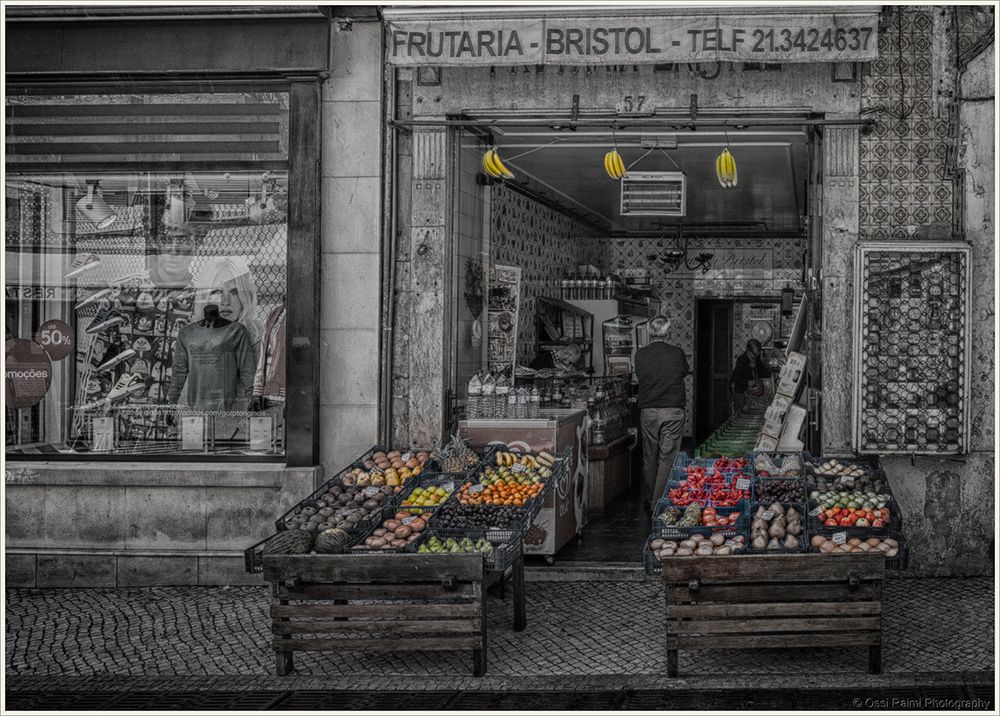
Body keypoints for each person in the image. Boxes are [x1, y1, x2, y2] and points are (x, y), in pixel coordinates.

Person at [634, 315, 690, 507]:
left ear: (650, 332)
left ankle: (651, 497)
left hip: (648, 411)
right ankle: (658, 502)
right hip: (672, 410)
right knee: (667, 456)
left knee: (650, 456)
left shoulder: (640, 355)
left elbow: (641, 375)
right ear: (668, 332)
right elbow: (683, 371)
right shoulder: (677, 353)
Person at [731, 339, 771, 414]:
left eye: (757, 355)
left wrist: (770, 374)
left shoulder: (756, 358)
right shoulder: (741, 360)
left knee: (751, 413)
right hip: (741, 393)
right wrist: (748, 382)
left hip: (752, 393)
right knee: (741, 414)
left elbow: (762, 371)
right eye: (754, 355)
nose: (756, 357)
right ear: (749, 352)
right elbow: (735, 378)